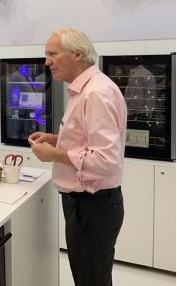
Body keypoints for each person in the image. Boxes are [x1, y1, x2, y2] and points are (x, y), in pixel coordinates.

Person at [29, 28, 127, 286]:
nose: (47, 62)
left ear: (77, 54)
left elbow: (106, 161)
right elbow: (87, 140)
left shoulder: (95, 93)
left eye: (53, 54)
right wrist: (57, 139)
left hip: (92, 206)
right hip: (85, 204)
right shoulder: (85, 90)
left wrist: (55, 154)